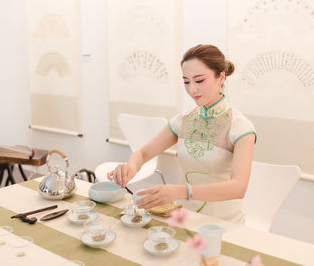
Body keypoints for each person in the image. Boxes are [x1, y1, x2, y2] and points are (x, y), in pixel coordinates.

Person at [108, 44, 256, 223]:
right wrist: (130, 167)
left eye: (199, 80)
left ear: (221, 77)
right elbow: (142, 153)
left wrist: (180, 191)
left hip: (225, 223)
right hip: (186, 219)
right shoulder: (183, 121)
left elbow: (238, 187)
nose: (192, 89)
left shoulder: (240, 127)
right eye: (186, 82)